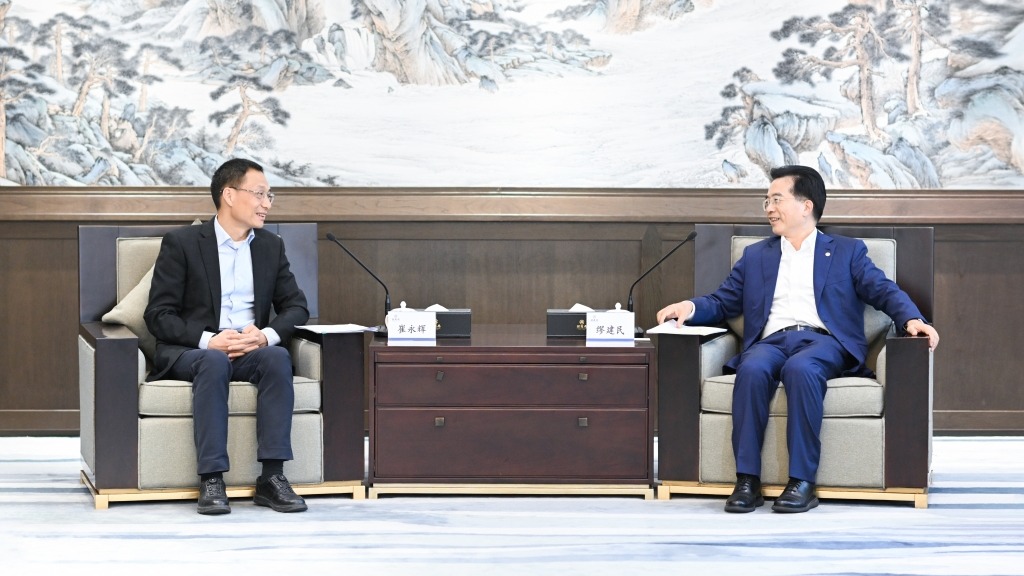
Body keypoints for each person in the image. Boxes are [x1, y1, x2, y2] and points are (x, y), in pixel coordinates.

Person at [657, 165, 939, 514]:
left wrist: (912, 320)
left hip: (823, 342)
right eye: (766, 201)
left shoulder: (847, 252)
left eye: (777, 200)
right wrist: (689, 307)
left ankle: (802, 481)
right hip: (771, 341)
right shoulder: (756, 255)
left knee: (801, 369)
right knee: (752, 370)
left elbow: (882, 290)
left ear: (806, 206)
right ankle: (747, 480)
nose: (769, 208)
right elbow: (723, 301)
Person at [144, 158, 310, 515]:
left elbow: (297, 307)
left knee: (277, 357)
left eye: (270, 196)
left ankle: (272, 477)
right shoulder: (183, 243)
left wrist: (264, 336)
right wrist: (209, 340)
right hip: (195, 350)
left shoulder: (270, 246)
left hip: (249, 347)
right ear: (229, 195)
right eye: (260, 194)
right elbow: (158, 315)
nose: (267, 204)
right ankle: (212, 478)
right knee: (214, 361)